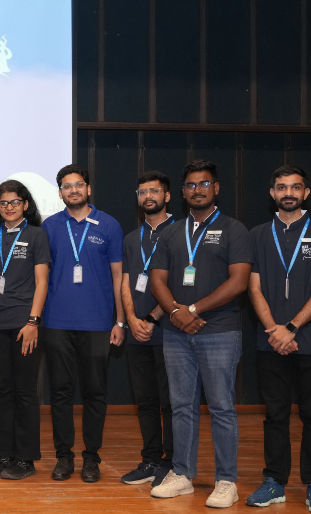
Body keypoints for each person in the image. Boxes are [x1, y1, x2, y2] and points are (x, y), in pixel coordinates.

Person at [148, 159, 252, 508]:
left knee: (221, 407)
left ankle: (226, 481)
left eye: (204, 184)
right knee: (181, 406)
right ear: (182, 192)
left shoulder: (234, 229)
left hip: (219, 331)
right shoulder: (171, 232)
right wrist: (176, 313)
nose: (198, 190)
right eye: (191, 185)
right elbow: (157, 281)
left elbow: (239, 282)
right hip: (176, 332)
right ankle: (182, 474)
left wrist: (192, 310)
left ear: (216, 188)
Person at [244, 165, 311, 512]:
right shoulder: (257, 234)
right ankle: (274, 482)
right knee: (275, 415)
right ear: (272, 193)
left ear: (305, 193)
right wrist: (275, 331)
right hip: (270, 341)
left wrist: (292, 328)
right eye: (282, 187)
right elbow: (253, 288)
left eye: (295, 187)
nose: (288, 193)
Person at [41, 164, 125, 483]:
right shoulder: (49, 226)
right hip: (56, 321)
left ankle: (91, 457)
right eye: (67, 186)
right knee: (60, 392)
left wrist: (120, 321)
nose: (73, 190)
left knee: (95, 392)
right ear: (60, 192)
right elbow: (41, 276)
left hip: (98, 322)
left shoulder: (109, 225)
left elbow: (118, 277)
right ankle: (64, 456)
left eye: (78, 185)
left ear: (88, 189)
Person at [0, 180, 50, 481]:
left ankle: (25, 458)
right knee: (2, 390)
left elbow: (42, 282)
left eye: (15, 202)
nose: (9, 207)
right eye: (3, 203)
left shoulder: (36, 235)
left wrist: (33, 322)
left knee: (25, 390)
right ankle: (4, 455)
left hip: (24, 323)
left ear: (25, 205)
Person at [118, 170, 175, 487]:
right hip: (137, 333)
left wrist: (151, 318)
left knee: (171, 402)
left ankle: (172, 463)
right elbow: (126, 282)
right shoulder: (131, 238)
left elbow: (178, 284)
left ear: (167, 196)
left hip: (170, 332)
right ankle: (151, 459)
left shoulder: (180, 233)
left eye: (154, 191)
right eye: (142, 192)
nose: (148, 196)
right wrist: (131, 319)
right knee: (145, 401)